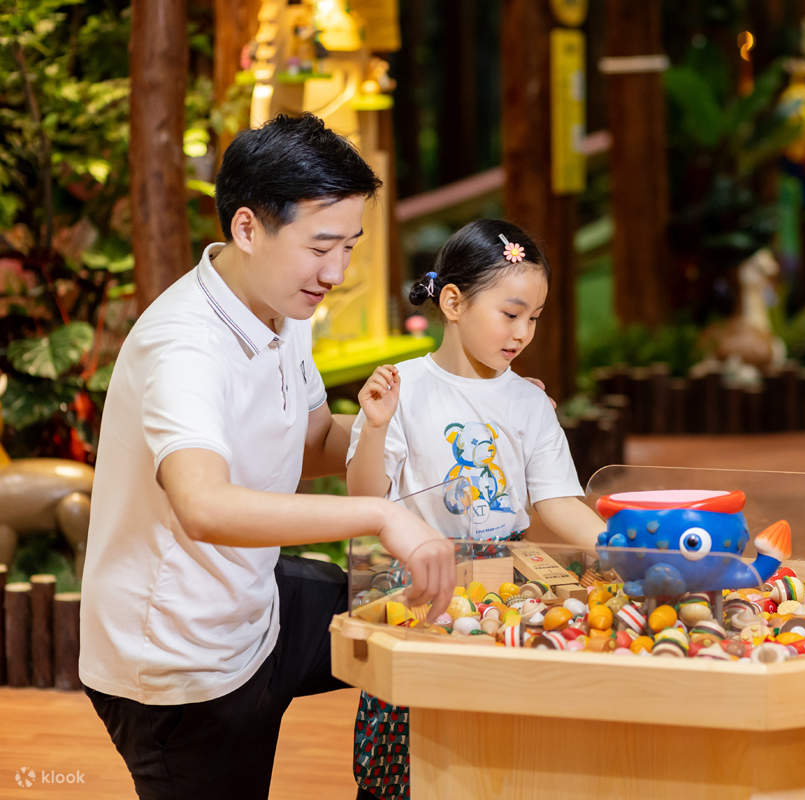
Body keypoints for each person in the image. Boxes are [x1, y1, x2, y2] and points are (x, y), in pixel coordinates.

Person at [78, 112, 456, 800]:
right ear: (248, 228)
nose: (336, 272)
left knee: (430, 610)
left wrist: (438, 429)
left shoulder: (280, 309)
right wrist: (380, 515)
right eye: (321, 247)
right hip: (179, 667)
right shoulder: (184, 346)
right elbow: (203, 504)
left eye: (349, 245)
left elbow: (310, 441)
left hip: (255, 604)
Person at [345, 218, 605, 798]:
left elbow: (558, 499)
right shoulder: (400, 389)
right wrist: (374, 428)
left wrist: (617, 545)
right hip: (415, 583)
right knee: (406, 740)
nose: (523, 333)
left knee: (496, 741)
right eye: (510, 314)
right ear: (454, 302)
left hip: (506, 583)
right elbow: (365, 503)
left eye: (534, 318)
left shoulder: (530, 402)